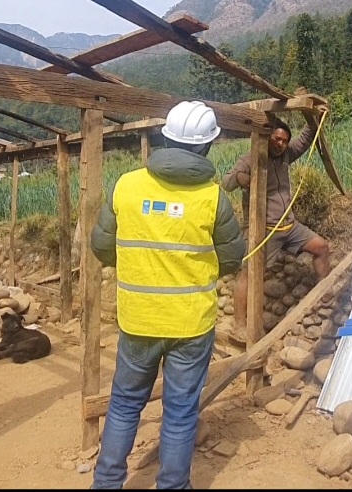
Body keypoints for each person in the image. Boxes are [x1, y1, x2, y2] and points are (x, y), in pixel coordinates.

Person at [90, 101, 245, 490]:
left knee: (124, 404)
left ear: (165, 137)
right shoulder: (212, 198)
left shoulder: (126, 185)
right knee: (179, 413)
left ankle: (106, 483)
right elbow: (231, 258)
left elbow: (102, 247)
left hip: (138, 319)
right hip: (191, 325)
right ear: (208, 146)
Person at [221, 112, 331, 345]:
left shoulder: (285, 156)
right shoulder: (252, 157)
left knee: (321, 247)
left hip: (289, 226)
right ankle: (239, 326)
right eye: (277, 139)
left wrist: (312, 114)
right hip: (264, 231)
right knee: (250, 274)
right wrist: (241, 177)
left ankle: (324, 294)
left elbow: (306, 138)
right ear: (267, 137)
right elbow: (227, 181)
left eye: (284, 140)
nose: (281, 144)